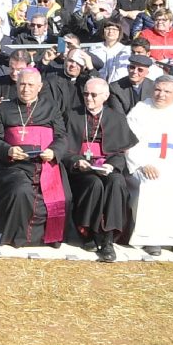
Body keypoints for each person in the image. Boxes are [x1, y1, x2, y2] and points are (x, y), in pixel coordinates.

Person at [0, 57, 70, 247]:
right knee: (20, 191)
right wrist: (9, 150)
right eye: (22, 84)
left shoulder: (51, 108)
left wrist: (53, 152)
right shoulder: (3, 109)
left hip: (45, 164)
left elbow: (62, 137)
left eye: (30, 85)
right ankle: (19, 238)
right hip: (13, 166)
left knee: (63, 197)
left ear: (40, 87)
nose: (26, 89)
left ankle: (50, 238)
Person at [122, 70, 173, 257]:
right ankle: (151, 239)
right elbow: (129, 142)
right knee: (151, 185)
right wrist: (143, 164)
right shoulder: (141, 110)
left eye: (167, 92)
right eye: (158, 90)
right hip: (147, 165)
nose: (161, 95)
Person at [64, 72, 136, 260]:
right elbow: (63, 147)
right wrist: (76, 161)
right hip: (81, 169)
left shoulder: (116, 118)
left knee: (117, 182)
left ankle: (108, 239)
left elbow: (121, 152)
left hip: (106, 166)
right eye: (86, 94)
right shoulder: (72, 115)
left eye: (93, 95)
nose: (88, 98)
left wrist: (112, 166)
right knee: (93, 184)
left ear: (105, 96)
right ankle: (89, 232)